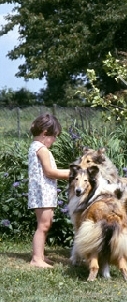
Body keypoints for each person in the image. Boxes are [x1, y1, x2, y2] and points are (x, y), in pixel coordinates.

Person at [28, 113, 70, 268]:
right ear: (45, 133)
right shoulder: (42, 149)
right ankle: (36, 259)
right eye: (54, 136)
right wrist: (75, 173)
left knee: (45, 223)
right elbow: (50, 172)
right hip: (42, 193)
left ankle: (40, 255)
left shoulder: (35, 147)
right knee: (43, 225)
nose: (55, 140)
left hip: (42, 192)